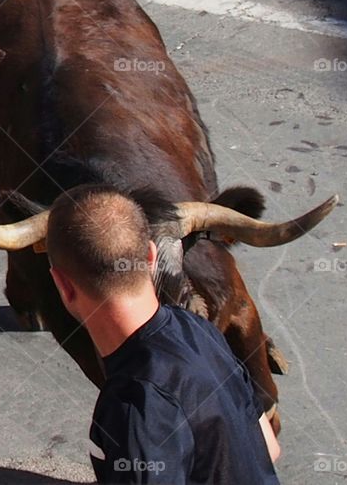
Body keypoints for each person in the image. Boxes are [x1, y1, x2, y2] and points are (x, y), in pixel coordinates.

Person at [46, 186, 281, 484]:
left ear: (63, 287)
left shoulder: (132, 409)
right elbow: (268, 449)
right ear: (151, 255)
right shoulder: (198, 330)